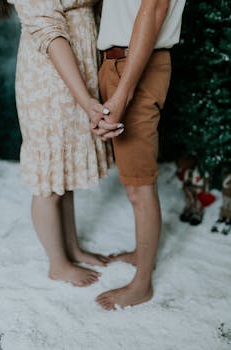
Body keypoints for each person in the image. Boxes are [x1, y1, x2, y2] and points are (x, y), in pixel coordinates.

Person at [0, 0, 122, 287]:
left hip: (80, 77)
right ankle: (58, 263)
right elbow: (50, 34)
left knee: (62, 174)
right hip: (50, 80)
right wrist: (85, 99)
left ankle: (72, 248)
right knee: (48, 182)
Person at [94, 0, 186, 309]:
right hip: (117, 62)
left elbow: (155, 9)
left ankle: (142, 283)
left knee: (140, 183)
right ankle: (141, 253)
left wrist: (123, 93)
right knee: (133, 178)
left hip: (137, 65)